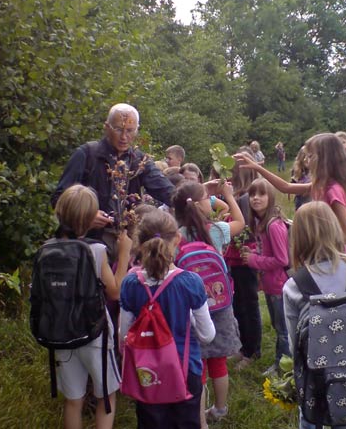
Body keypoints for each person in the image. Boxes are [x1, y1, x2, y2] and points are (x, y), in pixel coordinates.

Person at [283, 200, 346, 429]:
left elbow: (295, 344)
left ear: (298, 238)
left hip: (316, 378)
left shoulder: (294, 286)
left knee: (311, 420)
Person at [119, 209, 215, 429]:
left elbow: (124, 336)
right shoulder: (190, 282)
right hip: (184, 368)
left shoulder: (130, 283)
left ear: (139, 243)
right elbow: (207, 335)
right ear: (178, 239)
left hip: (146, 371)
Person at [53, 184, 132, 429]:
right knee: (106, 397)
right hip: (95, 334)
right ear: (90, 219)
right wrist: (125, 254)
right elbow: (115, 291)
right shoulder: (96, 250)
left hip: (60, 332)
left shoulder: (48, 248)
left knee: (73, 400)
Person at [173, 180, 244, 426]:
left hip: (191, 309)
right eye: (207, 198)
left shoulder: (175, 235)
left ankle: (200, 419)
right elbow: (240, 221)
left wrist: (200, 192)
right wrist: (227, 195)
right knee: (219, 361)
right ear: (201, 204)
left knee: (198, 365)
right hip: (220, 305)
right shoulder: (216, 230)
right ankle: (220, 408)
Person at [52, 103, 174, 239]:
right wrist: (86, 216)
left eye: (130, 130)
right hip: (86, 239)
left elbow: (166, 190)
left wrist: (188, 201)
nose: (124, 137)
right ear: (106, 127)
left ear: (137, 130)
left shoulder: (139, 161)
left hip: (125, 239)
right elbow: (59, 198)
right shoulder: (87, 154)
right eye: (118, 129)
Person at [235, 132, 346, 246]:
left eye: (309, 156)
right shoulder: (320, 185)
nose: (305, 160)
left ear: (324, 160)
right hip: (319, 253)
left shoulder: (333, 191)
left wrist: (309, 234)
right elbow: (286, 187)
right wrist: (257, 167)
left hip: (331, 257)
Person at [241, 178, 291, 375]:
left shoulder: (273, 225)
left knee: (283, 329)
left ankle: (283, 368)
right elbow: (267, 251)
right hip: (271, 284)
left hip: (279, 284)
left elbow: (281, 259)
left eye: (261, 194)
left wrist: (254, 260)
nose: (256, 198)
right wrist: (254, 252)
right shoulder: (261, 223)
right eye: (252, 194)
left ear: (270, 197)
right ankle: (282, 362)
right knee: (278, 326)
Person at [224, 148, 261, 370]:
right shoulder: (238, 195)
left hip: (245, 256)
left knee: (249, 304)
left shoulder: (246, 198)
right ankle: (243, 346)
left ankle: (252, 350)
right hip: (235, 257)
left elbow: (244, 228)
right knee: (238, 303)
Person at [290, 146, 311, 211]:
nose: (306, 159)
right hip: (301, 202)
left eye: (309, 156)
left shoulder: (315, 170)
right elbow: (291, 187)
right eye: (304, 156)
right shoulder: (297, 170)